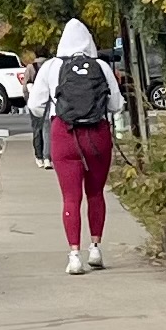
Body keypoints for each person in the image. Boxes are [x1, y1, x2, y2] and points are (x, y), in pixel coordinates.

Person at [26, 17, 124, 272]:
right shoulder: (101, 66)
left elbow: (35, 107)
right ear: (89, 42)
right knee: (95, 194)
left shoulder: (50, 67)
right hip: (97, 136)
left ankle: (73, 256)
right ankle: (95, 249)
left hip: (64, 135)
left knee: (70, 198)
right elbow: (116, 105)